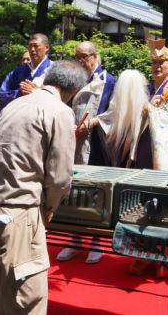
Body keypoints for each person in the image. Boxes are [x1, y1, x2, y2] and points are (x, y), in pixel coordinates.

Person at [0, 61, 87, 315]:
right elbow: (60, 176)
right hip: (22, 209)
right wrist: (50, 207)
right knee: (26, 298)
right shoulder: (59, 111)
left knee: (0, 293)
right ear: (75, 88)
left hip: (0, 201)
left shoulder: (14, 104)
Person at [56, 41, 116, 265]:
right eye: (77, 57)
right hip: (73, 139)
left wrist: (90, 124)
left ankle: (95, 242)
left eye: (85, 56)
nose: (81, 61)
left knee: (94, 192)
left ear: (95, 56)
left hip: (97, 142)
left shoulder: (109, 81)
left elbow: (114, 112)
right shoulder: (74, 79)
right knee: (72, 187)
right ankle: (73, 238)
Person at [93, 39, 168, 172]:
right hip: (140, 143)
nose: (157, 66)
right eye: (154, 63)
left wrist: (154, 112)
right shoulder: (144, 89)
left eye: (161, 62)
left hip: (164, 150)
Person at [0, 33, 52, 112]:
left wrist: (34, 93)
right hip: (19, 116)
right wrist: (19, 92)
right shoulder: (17, 71)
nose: (32, 49)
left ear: (46, 48)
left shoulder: (54, 69)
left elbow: (60, 97)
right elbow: (3, 95)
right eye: (30, 46)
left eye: (36, 46)